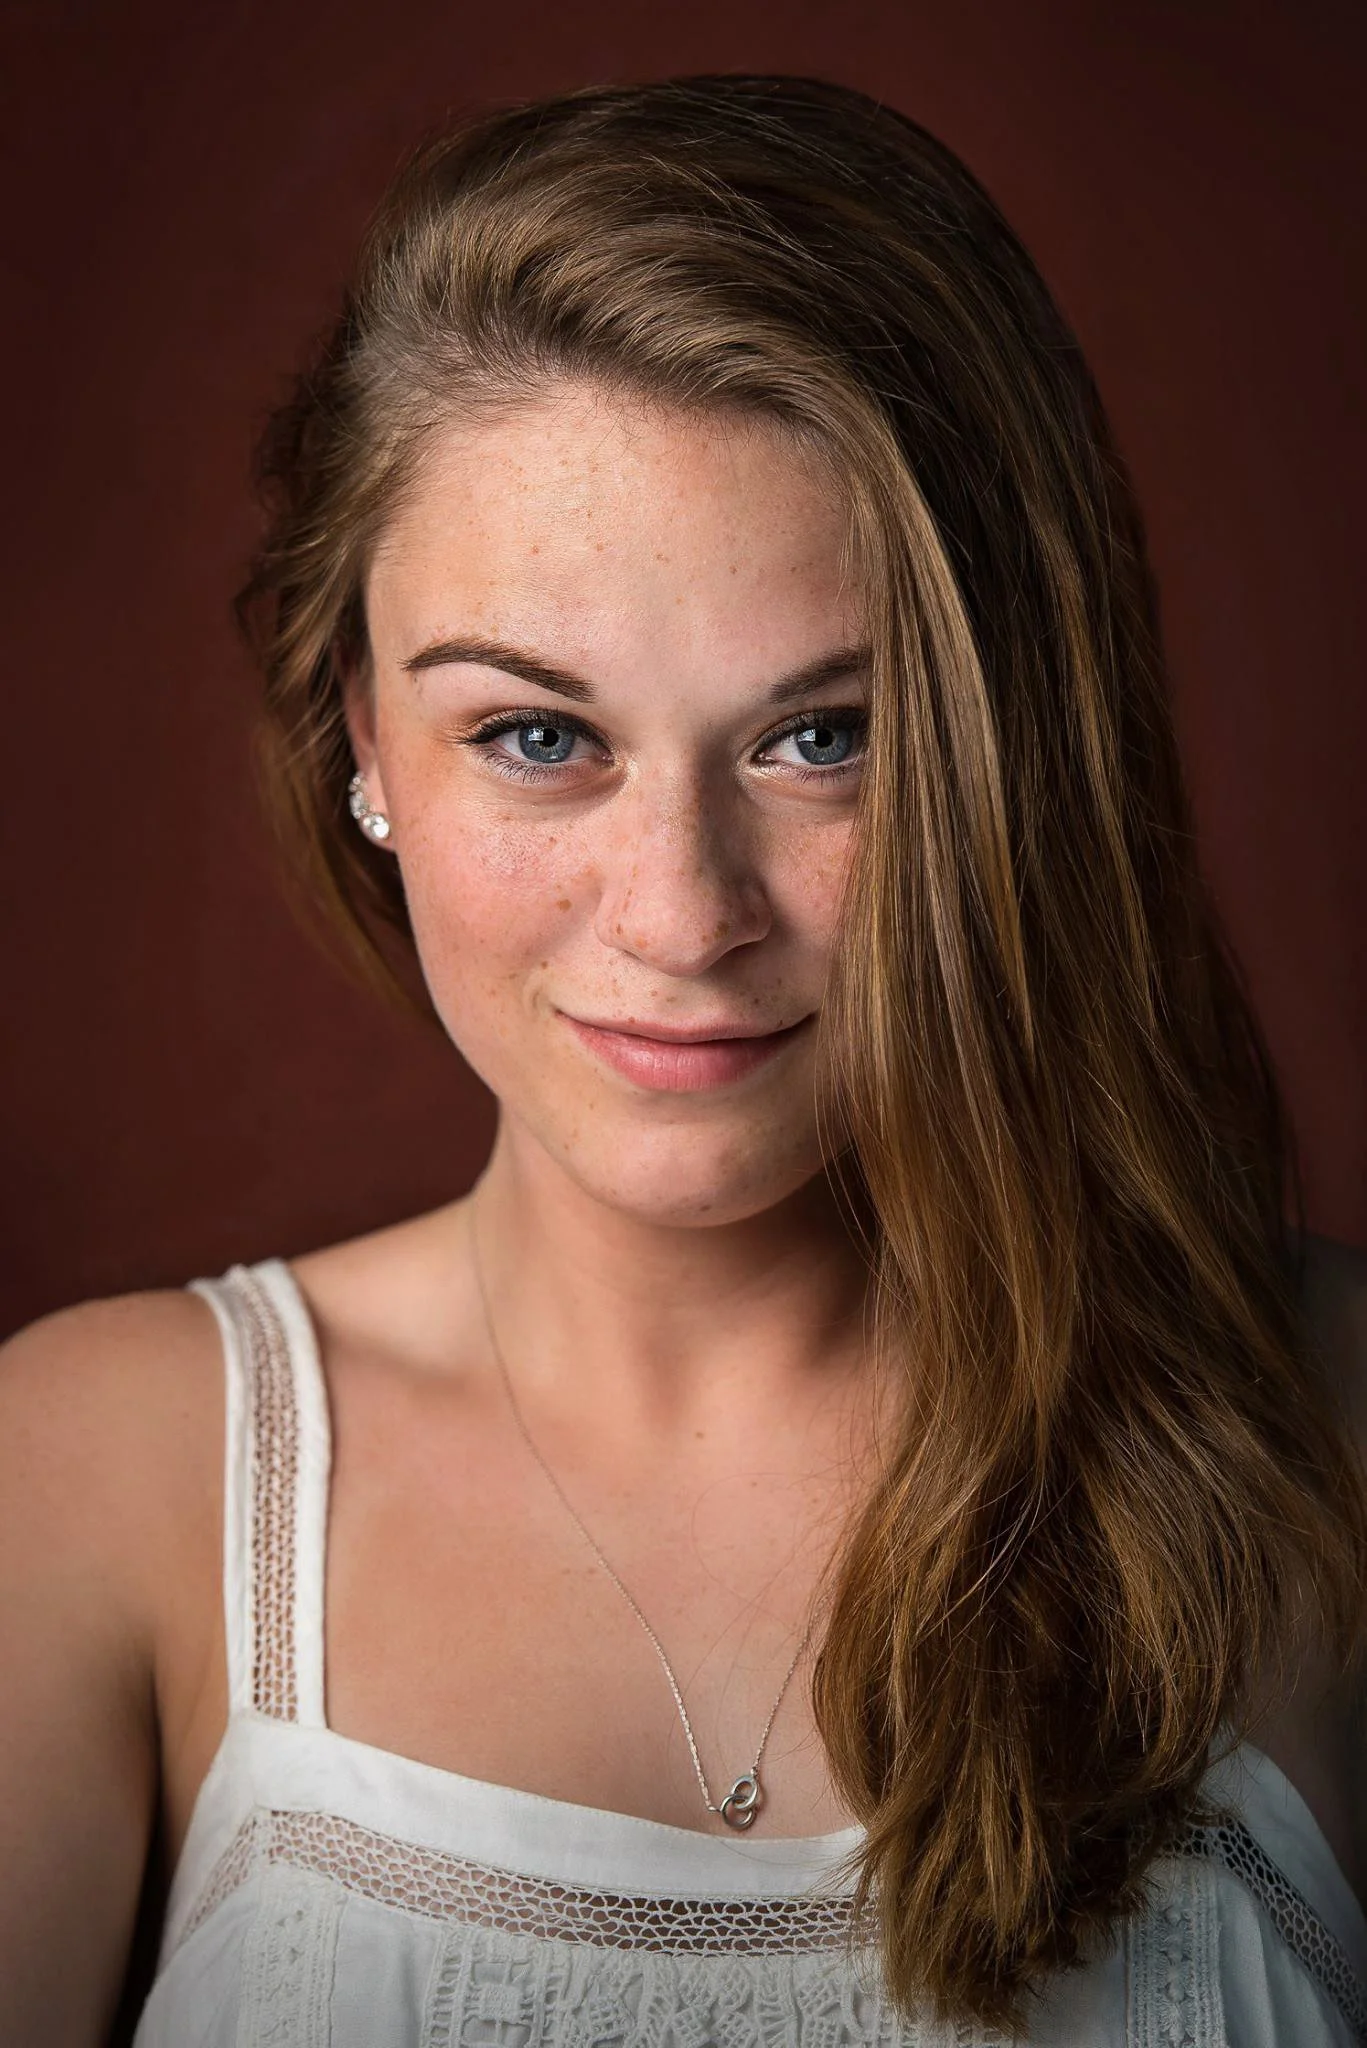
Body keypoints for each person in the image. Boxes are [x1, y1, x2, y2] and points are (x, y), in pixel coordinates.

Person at [1, 72, 1364, 2048]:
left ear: (1015, 752)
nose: (681, 913)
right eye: (537, 737)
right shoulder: (89, 1480)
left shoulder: (1326, 1438)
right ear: (359, 743)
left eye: (821, 735)